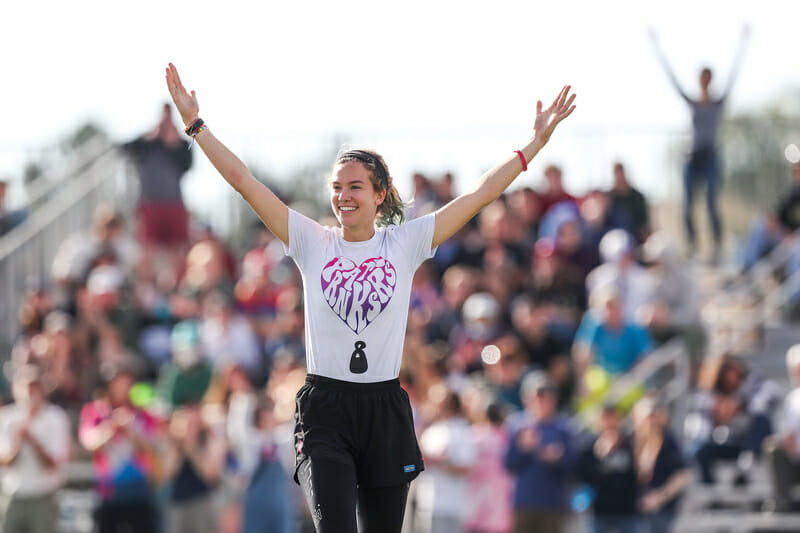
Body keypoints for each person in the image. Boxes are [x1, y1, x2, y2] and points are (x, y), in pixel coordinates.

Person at [164, 62, 575, 533]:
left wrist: (535, 144)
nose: (344, 196)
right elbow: (243, 180)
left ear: (380, 194)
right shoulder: (310, 241)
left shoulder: (404, 243)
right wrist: (196, 125)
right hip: (326, 410)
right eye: (337, 188)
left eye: (355, 186)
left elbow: (480, 195)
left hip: (384, 409)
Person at [650, 26, 749, 262]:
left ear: (710, 80)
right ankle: (693, 246)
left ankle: (716, 247)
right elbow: (672, 78)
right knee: (688, 205)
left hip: (710, 157)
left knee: (712, 203)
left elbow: (734, 74)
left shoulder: (717, 103)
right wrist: (657, 47)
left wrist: (743, 42)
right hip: (692, 157)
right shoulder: (693, 103)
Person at [0, 365, 71, 533]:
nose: (29, 392)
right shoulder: (6, 417)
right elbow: (4, 461)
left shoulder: (56, 417)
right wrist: (19, 442)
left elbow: (53, 463)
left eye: (34, 386)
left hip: (43, 498)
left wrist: (32, 441)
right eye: (25, 386)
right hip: (13, 496)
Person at [122, 103, 193, 270]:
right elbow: (126, 149)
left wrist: (174, 145)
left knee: (177, 248)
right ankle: (147, 284)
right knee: (147, 247)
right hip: (149, 202)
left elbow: (188, 165)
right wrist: (151, 135)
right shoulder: (147, 142)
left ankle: (176, 283)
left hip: (173, 202)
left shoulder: (180, 143)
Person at [504, 372, 574, 533]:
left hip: (552, 504)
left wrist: (557, 459)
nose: (541, 403)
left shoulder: (563, 428)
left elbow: (572, 467)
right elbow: (508, 463)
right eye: (537, 398)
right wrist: (523, 449)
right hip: (524, 503)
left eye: (545, 398)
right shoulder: (518, 425)